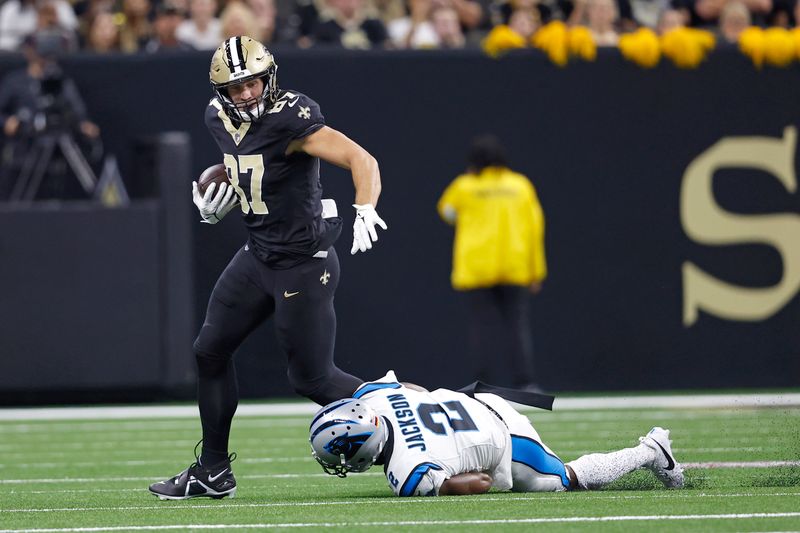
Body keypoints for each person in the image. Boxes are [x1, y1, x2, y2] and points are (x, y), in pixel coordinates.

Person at [148, 35, 388, 500]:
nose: (246, 94)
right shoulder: (216, 117)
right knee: (209, 350)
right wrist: (221, 197)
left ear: (269, 77)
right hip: (259, 255)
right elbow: (247, 166)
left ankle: (410, 416)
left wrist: (366, 207)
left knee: (312, 379)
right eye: (236, 88)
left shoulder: (292, 116)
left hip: (303, 261)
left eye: (253, 83)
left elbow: (361, 158)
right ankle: (213, 471)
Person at [309, 371, 684, 496]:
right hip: (477, 400)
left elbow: (481, 483)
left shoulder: (408, 472)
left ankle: (651, 450)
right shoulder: (376, 397)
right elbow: (414, 389)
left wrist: (456, 470)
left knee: (564, 480)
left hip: (508, 440)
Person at [437, 135, 545, 390]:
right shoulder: (520, 186)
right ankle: (525, 382)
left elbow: (447, 212)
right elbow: (535, 227)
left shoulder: (464, 186)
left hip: (478, 268)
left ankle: (484, 385)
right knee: (517, 327)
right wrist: (536, 271)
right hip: (514, 266)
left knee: (482, 329)